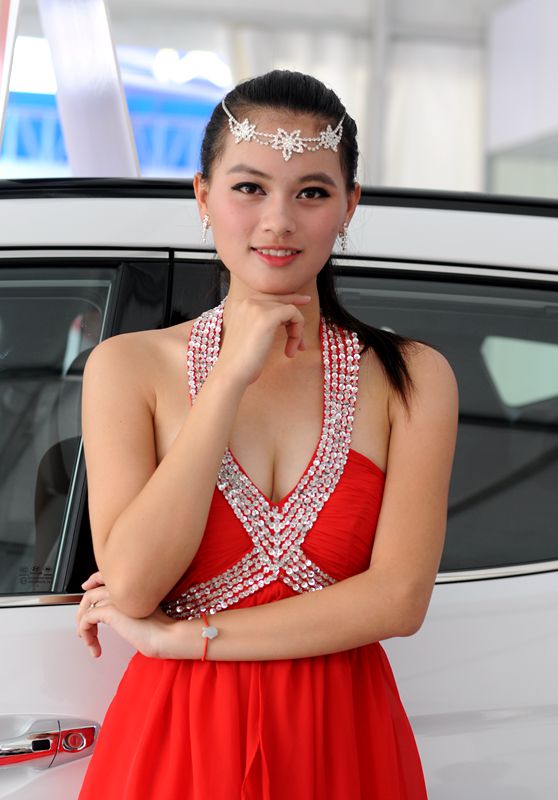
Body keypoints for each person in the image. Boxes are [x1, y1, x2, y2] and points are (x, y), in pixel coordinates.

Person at [77, 69, 458, 799]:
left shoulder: (412, 377)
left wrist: (186, 639)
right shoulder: (127, 367)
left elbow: (399, 599)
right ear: (202, 196)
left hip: (342, 743)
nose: (278, 221)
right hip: (179, 744)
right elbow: (132, 583)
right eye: (249, 187)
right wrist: (228, 379)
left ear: (349, 206)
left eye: (311, 192)